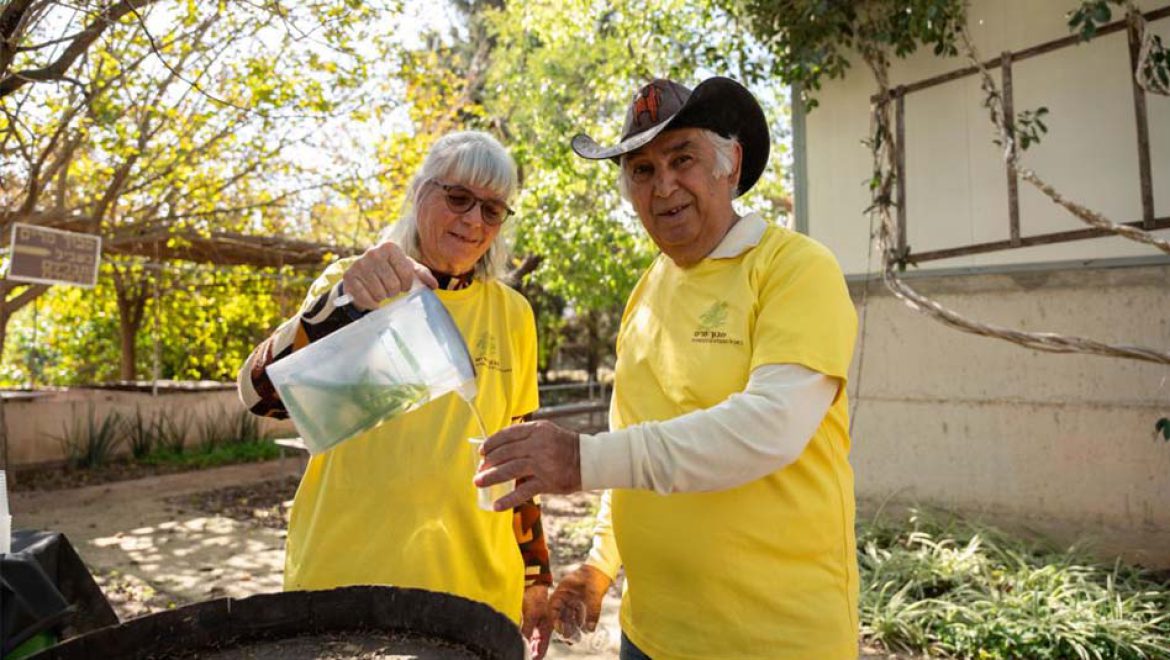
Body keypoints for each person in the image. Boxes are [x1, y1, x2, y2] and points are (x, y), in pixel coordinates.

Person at [475, 78, 859, 658]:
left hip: (775, 641)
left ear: (731, 163)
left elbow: (771, 428)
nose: (664, 185)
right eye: (643, 170)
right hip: (649, 636)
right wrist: (601, 566)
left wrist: (581, 459)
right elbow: (634, 440)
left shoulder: (794, 268)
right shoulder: (646, 294)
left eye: (683, 159)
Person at [238, 131, 554, 657]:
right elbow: (257, 395)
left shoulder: (514, 314)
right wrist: (341, 303)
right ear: (420, 193)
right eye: (458, 198)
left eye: (493, 210)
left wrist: (536, 577)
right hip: (348, 585)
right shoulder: (360, 285)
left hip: (477, 591)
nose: (474, 221)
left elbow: (515, 460)